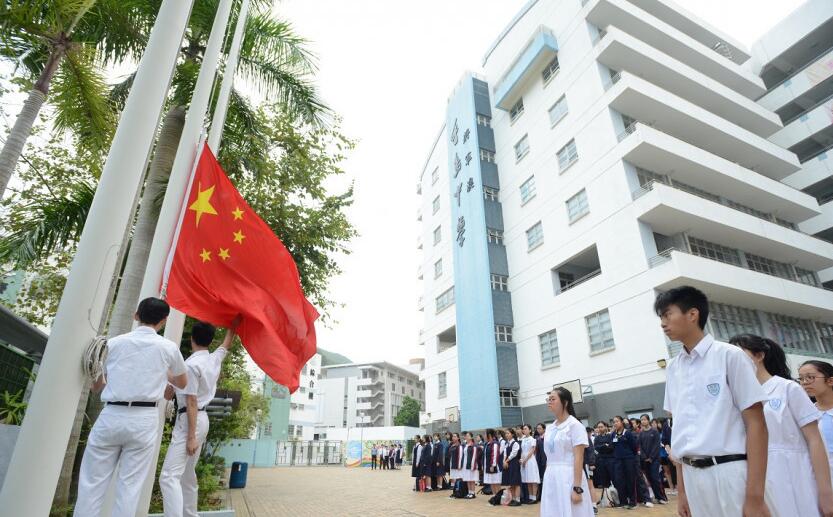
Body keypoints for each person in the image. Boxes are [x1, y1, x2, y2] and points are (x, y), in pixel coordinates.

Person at [656, 286, 775, 517]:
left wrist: (755, 496)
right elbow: (681, 431)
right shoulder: (673, 368)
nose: (662, 323)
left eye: (667, 314)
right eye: (661, 317)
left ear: (692, 314)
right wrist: (682, 492)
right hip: (692, 476)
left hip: (729, 470)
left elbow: (757, 424)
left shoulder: (730, 356)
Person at [75, 297, 188, 517]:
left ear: (136, 315)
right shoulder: (168, 348)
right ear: (164, 321)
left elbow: (97, 386)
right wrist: (163, 373)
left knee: (92, 484)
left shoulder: (113, 343)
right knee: (130, 487)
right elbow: (182, 382)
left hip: (112, 414)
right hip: (144, 418)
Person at [733, 335, 833, 517]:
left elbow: (815, 440)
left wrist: (826, 493)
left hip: (795, 473)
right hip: (757, 478)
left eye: (739, 354)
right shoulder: (737, 397)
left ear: (759, 355)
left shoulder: (788, 389)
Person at [160, 319, 238, 517]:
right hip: (201, 420)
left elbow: (191, 401)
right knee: (187, 476)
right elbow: (226, 344)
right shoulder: (212, 359)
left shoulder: (190, 365)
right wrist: (234, 324)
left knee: (169, 476)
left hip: (190, 421)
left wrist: (191, 436)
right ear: (210, 341)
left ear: (192, 339)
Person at [540, 387, 594, 517]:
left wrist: (577, 488)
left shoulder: (575, 426)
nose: (549, 402)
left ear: (565, 402)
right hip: (551, 476)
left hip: (569, 477)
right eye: (548, 399)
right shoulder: (550, 427)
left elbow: (578, 458)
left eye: (553, 399)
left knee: (573, 511)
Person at [800, 360, 833, 486]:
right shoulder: (806, 413)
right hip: (817, 479)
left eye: (810, 377)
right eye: (801, 378)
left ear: (830, 381)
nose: (804, 382)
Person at [638, 414, 667, 506]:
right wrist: (644, 457)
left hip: (654, 460)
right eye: (641, 420)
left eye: (644, 420)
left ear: (648, 420)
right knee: (649, 479)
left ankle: (661, 497)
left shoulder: (654, 432)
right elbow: (641, 447)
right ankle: (655, 497)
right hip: (645, 460)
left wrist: (651, 458)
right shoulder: (641, 433)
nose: (643, 421)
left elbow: (656, 446)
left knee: (655, 478)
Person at [611, 415, 640, 509]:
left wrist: (629, 455)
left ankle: (632, 502)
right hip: (617, 460)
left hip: (629, 460)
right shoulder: (613, 434)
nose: (615, 423)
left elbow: (634, 447)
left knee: (630, 480)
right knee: (619, 481)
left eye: (617, 421)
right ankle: (623, 502)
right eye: (614, 422)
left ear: (622, 423)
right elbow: (612, 447)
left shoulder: (628, 433)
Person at [592, 421, 614, 507]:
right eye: (598, 427)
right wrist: (604, 445)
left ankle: (615, 498)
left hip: (610, 460)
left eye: (601, 427)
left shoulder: (610, 436)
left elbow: (611, 447)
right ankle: (606, 500)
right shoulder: (597, 438)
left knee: (613, 478)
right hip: (601, 461)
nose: (600, 428)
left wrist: (603, 447)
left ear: (605, 427)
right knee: (604, 481)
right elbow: (596, 448)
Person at [502, 428, 523, 506]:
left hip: (514, 464)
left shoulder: (515, 443)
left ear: (512, 434)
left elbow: (513, 454)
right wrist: (504, 461)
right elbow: (504, 453)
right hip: (508, 464)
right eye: (506, 433)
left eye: (508, 433)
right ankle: (513, 499)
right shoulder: (507, 444)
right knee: (511, 483)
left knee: (516, 482)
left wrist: (506, 461)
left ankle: (517, 500)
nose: (506, 435)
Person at [520, 423, 540, 503]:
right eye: (523, 429)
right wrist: (521, 459)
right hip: (524, 460)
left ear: (530, 430)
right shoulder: (523, 439)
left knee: (532, 479)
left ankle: (534, 498)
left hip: (530, 460)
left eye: (526, 429)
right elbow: (522, 451)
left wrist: (525, 460)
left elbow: (532, 451)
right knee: (527, 479)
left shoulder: (533, 439)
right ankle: (530, 496)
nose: (524, 430)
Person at [658, 418, 676, 495]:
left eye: (658, 423)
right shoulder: (661, 431)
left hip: (671, 453)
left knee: (675, 471)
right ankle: (672, 488)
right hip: (664, 454)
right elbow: (664, 442)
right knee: (668, 472)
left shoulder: (665, 430)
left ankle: (677, 487)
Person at [484, 429, 503, 497]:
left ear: (489, 435)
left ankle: (499, 497)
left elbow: (494, 455)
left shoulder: (495, 443)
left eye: (485, 434)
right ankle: (495, 496)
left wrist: (493, 465)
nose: (484, 436)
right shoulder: (487, 444)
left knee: (496, 482)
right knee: (491, 482)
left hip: (495, 467)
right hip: (488, 466)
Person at [461, 432, 480, 499]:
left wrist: (473, 465)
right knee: (467, 478)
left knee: (472, 479)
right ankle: (469, 492)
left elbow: (474, 456)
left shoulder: (473, 446)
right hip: (465, 464)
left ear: (471, 437)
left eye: (468, 436)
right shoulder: (465, 445)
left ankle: (473, 493)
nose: (466, 437)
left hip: (471, 464)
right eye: (466, 436)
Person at [448, 432, 462, 499]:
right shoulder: (452, 445)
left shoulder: (459, 446)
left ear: (458, 438)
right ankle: (454, 492)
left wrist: (459, 465)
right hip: (452, 464)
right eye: (453, 436)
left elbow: (460, 456)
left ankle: (458, 491)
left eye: (455, 436)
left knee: (457, 479)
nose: (453, 437)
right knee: (453, 478)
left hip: (457, 465)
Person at [535, 423, 547, 490]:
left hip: (545, 460)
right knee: (540, 477)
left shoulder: (546, 437)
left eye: (539, 428)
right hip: (538, 460)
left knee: (545, 476)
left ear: (544, 429)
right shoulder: (537, 438)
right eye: (537, 428)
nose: (538, 430)